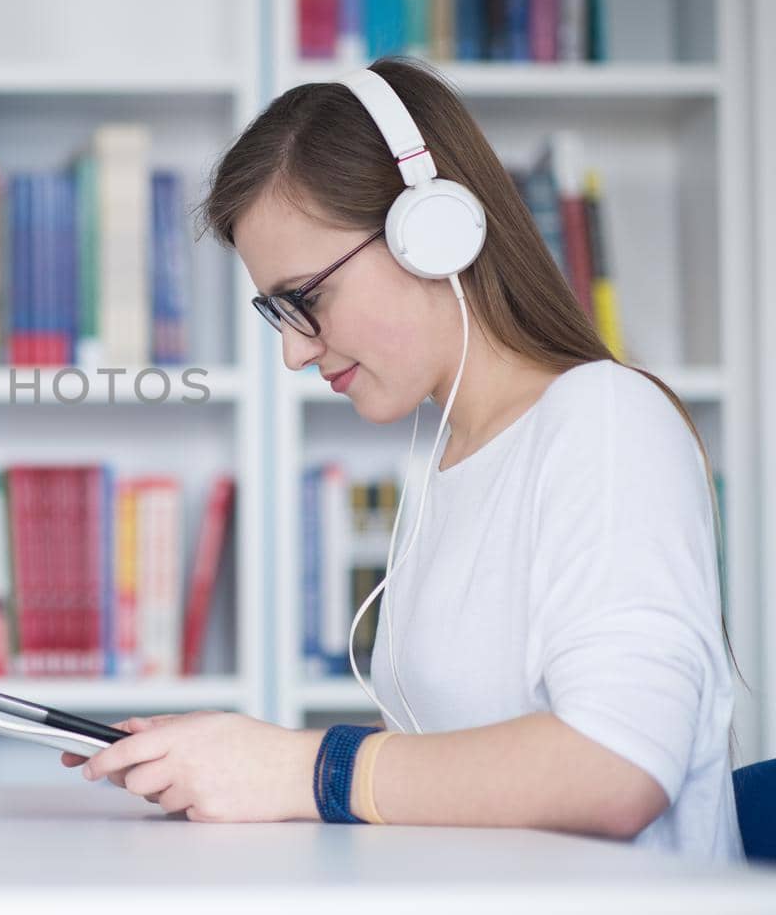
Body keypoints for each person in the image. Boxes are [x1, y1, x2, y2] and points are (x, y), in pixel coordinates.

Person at [63, 56, 743, 863]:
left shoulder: (604, 419)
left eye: (305, 301)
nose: (292, 353)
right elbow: (447, 770)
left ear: (433, 235)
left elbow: (617, 768)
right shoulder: (455, 454)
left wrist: (296, 769)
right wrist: (225, 762)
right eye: (276, 314)